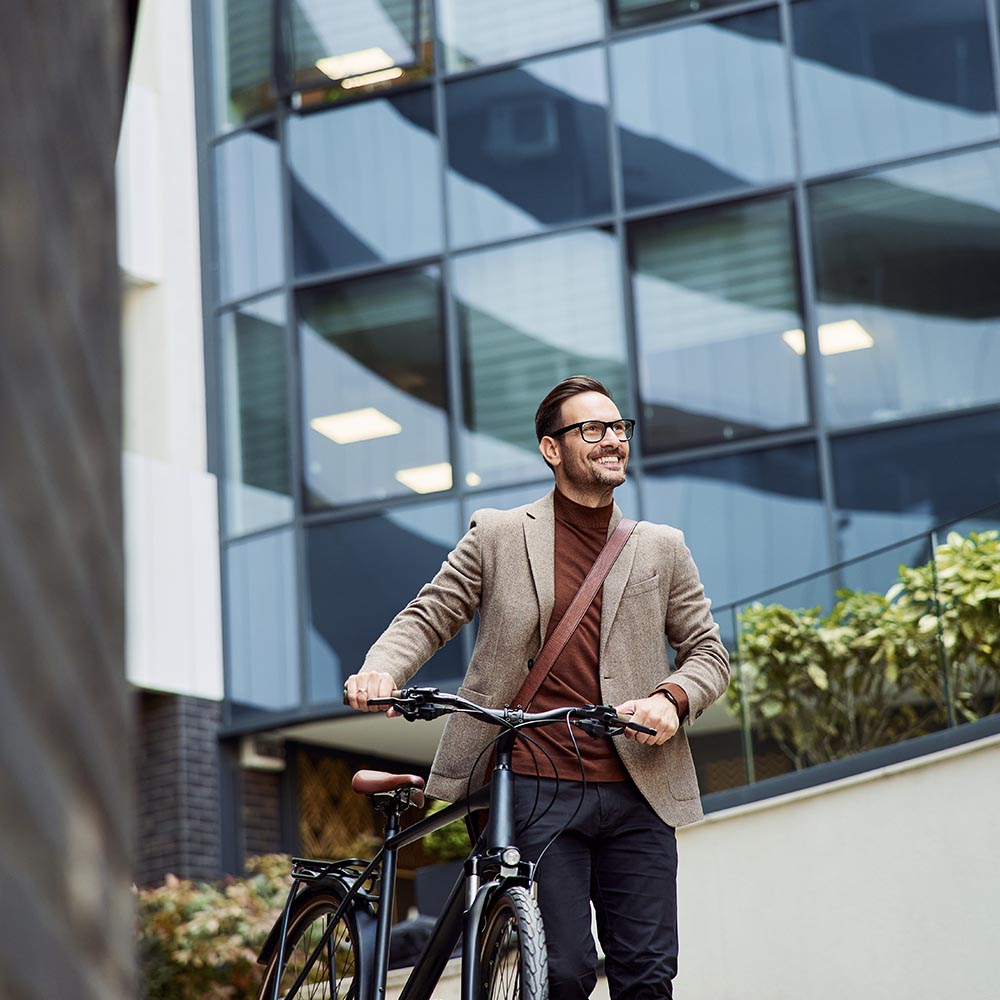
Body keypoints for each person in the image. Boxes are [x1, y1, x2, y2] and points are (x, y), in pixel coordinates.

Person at [344, 375, 730, 999]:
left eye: (618, 428)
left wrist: (672, 698)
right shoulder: (500, 534)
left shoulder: (663, 547)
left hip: (640, 788)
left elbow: (709, 653)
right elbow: (429, 614)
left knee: (649, 978)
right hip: (537, 785)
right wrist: (382, 669)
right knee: (565, 971)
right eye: (592, 430)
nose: (612, 440)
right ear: (553, 449)